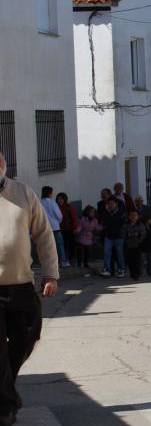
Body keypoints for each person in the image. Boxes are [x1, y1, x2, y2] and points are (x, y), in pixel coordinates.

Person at [0, 151, 58, 426]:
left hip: (21, 285)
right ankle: (6, 407)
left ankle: (5, 389)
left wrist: (51, 274)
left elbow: (44, 234)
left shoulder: (23, 193)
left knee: (28, 336)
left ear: (3, 163)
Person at [40, 186, 67, 267]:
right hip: (55, 227)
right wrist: (59, 221)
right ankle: (62, 261)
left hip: (44, 227)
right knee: (59, 245)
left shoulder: (39, 202)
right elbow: (59, 215)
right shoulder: (52, 203)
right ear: (50, 193)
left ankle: (48, 262)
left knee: (47, 246)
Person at [100, 198, 126, 277]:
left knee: (120, 254)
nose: (110, 205)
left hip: (119, 236)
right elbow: (103, 223)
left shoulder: (121, 213)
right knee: (106, 253)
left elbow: (122, 225)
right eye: (109, 204)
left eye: (112, 203)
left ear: (116, 204)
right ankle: (107, 270)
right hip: (108, 236)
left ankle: (122, 269)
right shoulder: (106, 213)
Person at [122, 210, 147, 281]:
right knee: (130, 260)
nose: (133, 217)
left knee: (138, 260)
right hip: (129, 245)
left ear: (138, 216)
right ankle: (132, 273)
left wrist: (138, 236)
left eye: (135, 215)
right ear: (129, 217)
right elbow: (123, 233)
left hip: (138, 245)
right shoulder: (126, 225)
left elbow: (144, 233)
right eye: (131, 215)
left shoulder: (141, 224)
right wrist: (127, 236)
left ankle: (137, 274)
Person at [134, 196, 151, 277]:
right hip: (137, 233)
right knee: (140, 254)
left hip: (147, 232)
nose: (139, 202)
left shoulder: (147, 208)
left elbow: (149, 219)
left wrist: (145, 221)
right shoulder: (133, 210)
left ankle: (149, 269)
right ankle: (140, 270)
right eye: (137, 201)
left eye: (140, 201)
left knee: (149, 254)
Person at [56, 192, 78, 265]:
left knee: (71, 245)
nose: (60, 200)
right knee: (62, 245)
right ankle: (63, 259)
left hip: (69, 229)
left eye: (61, 199)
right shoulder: (56, 207)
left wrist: (75, 228)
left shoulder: (69, 207)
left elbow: (74, 218)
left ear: (64, 199)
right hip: (60, 229)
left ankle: (72, 259)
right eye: (58, 199)